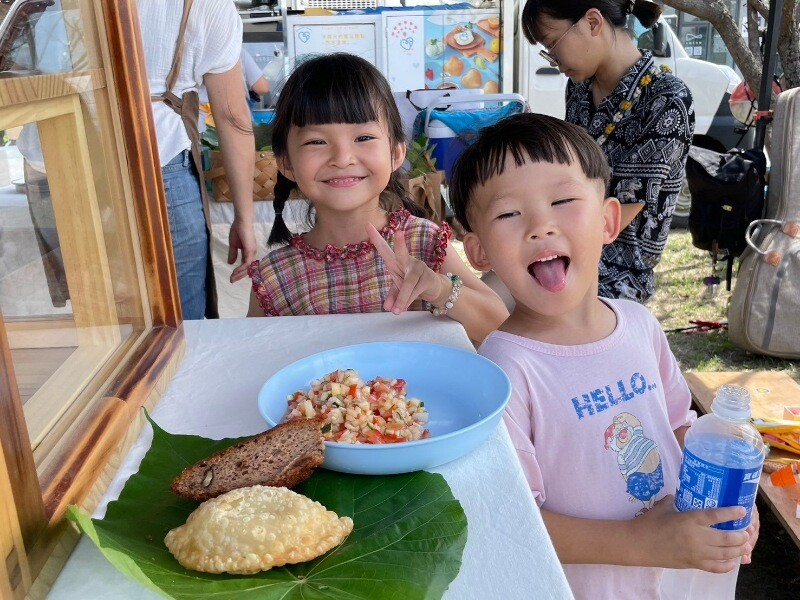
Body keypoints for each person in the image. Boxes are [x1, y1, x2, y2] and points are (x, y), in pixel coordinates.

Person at [449, 113, 758, 599]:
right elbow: (512, 520)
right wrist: (643, 542)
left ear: (609, 220)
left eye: (564, 200)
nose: (540, 226)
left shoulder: (640, 325)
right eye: (509, 214)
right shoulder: (504, 371)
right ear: (478, 250)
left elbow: (679, 425)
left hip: (677, 579)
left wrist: (727, 498)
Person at [247, 53, 507, 343]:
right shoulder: (276, 276)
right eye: (316, 141)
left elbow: (498, 327)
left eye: (363, 138)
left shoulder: (423, 243)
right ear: (286, 163)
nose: (342, 158)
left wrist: (440, 288)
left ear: (396, 153)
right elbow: (255, 359)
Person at [521, 0, 695, 303]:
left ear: (592, 22)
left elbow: (622, 210)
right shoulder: (579, 89)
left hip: (617, 274)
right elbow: (569, 173)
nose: (555, 61)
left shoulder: (667, 98)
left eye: (552, 44)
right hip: (563, 248)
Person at [139, 0, 257, 319]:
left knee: (96, 322)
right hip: (157, 165)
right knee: (179, 324)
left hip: (56, 162)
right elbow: (231, 118)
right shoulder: (207, 6)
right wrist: (244, 218)